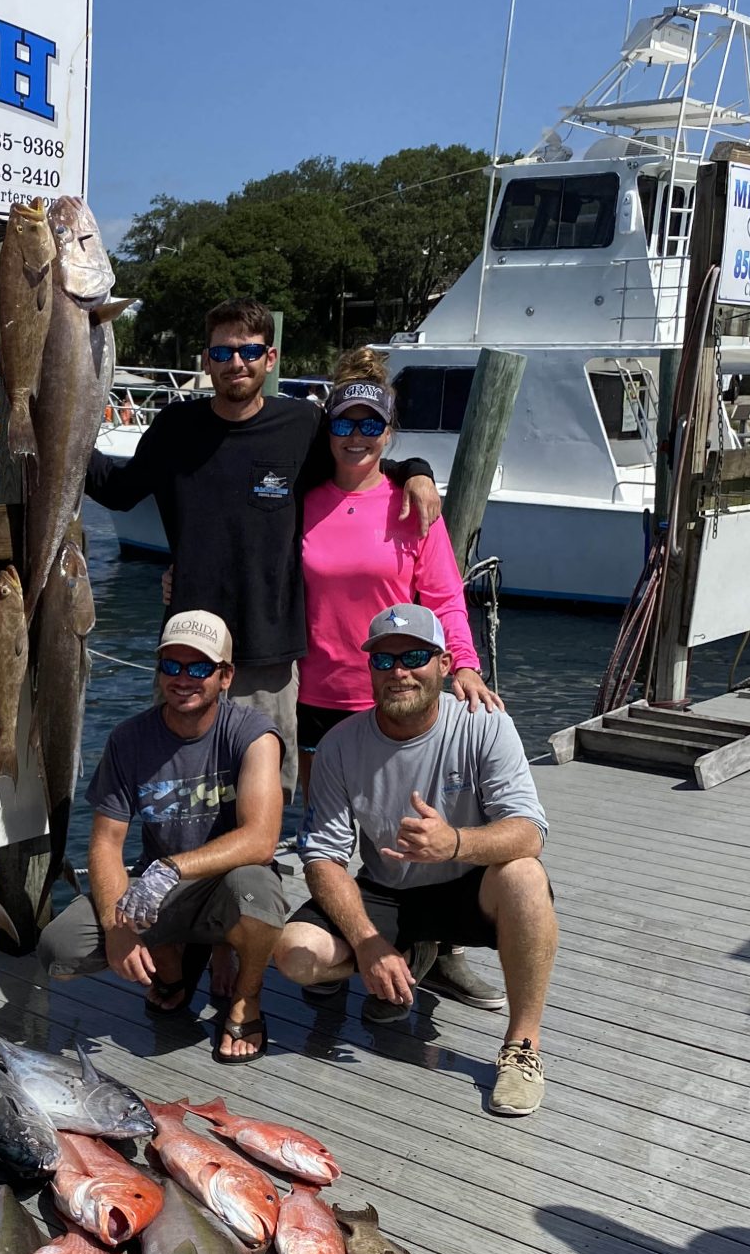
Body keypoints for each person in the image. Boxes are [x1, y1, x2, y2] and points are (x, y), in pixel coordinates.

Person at [84, 299, 440, 792]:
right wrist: (56, 438)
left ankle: (256, 865)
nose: (236, 363)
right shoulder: (174, 428)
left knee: (262, 788)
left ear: (270, 359)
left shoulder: (301, 426)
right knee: (181, 788)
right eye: (223, 352)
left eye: (249, 351)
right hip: (189, 646)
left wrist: (416, 472)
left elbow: (357, 458)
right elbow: (118, 492)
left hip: (269, 651)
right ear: (206, 359)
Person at [275, 604, 558, 1116]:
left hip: (467, 885)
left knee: (524, 876)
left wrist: (454, 843)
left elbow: (529, 832)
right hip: (387, 889)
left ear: (445, 664)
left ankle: (523, 1046)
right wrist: (366, 942)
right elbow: (321, 856)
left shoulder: (485, 724)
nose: (399, 672)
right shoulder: (340, 744)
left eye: (414, 657)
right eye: (384, 661)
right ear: (369, 670)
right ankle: (402, 958)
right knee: (297, 954)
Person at [298, 346, 504, 1014]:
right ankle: (346, 950)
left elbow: (444, 597)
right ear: (326, 425)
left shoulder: (411, 503)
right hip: (319, 694)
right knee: (333, 836)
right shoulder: (302, 498)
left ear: (388, 433)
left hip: (400, 694)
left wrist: (464, 665)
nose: (356, 438)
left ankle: (432, 949)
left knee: (415, 833)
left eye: (370, 426)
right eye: (344, 423)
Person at [37, 610, 286, 1062]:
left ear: (225, 675)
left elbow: (261, 840)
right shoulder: (128, 739)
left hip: (221, 884)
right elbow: (106, 843)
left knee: (258, 894)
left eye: (198, 668)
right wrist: (117, 928)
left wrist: (170, 868)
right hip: (159, 896)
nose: (183, 678)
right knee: (61, 948)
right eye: (171, 665)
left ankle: (247, 997)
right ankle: (175, 962)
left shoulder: (253, 734)